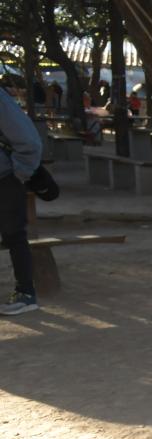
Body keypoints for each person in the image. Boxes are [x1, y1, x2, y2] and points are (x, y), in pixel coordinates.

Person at [0, 87, 43, 315]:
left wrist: (19, 174)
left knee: (14, 234)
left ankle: (26, 294)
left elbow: (29, 141)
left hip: (5, 179)